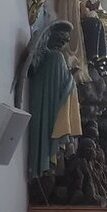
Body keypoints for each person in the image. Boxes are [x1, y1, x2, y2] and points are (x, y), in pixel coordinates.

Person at [27, 21, 82, 181]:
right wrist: (70, 79)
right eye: (59, 38)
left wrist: (69, 77)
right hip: (47, 110)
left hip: (46, 110)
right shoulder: (55, 57)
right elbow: (61, 90)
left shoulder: (54, 58)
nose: (62, 43)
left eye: (65, 40)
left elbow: (60, 86)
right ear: (50, 36)